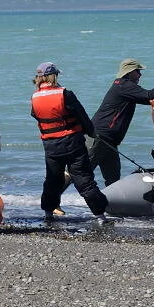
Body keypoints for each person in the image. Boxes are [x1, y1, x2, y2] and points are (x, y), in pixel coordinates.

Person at [30, 61, 113, 224]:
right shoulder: (65, 93)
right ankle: (100, 214)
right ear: (53, 76)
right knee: (84, 180)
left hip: (51, 147)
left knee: (53, 180)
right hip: (73, 144)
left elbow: (36, 115)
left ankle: (48, 212)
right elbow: (82, 116)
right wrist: (91, 132)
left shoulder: (35, 98)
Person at [88, 59, 154, 186]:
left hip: (110, 141)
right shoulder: (124, 86)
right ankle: (52, 202)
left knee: (113, 179)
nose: (140, 74)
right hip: (98, 139)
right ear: (128, 72)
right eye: (137, 71)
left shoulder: (125, 87)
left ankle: (110, 205)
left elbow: (150, 99)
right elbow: (149, 95)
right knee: (80, 173)